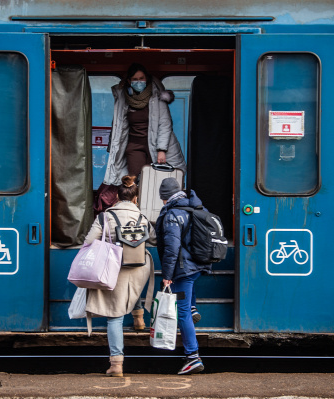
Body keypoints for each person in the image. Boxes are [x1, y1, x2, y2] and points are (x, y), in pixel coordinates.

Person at [84, 175, 156, 377]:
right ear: (135, 198)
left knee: (114, 317)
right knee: (132, 289)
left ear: (116, 196)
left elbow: (89, 241)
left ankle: (116, 364)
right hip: (139, 266)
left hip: (114, 268)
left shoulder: (105, 217)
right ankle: (139, 319)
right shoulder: (142, 218)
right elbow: (155, 239)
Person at [155, 177, 212, 375]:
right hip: (196, 265)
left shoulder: (173, 214)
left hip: (183, 269)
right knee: (188, 304)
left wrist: (167, 275)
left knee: (182, 313)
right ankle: (194, 307)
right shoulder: (195, 207)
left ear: (166, 197)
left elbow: (172, 248)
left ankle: (193, 357)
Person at [103, 63, 186, 186]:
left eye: (141, 78)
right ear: (129, 81)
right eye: (135, 79)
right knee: (135, 181)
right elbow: (117, 124)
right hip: (134, 145)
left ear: (146, 79)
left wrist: (161, 150)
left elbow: (165, 124)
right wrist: (112, 146)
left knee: (159, 180)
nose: (139, 82)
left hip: (156, 143)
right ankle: (137, 204)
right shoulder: (124, 97)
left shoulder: (157, 96)